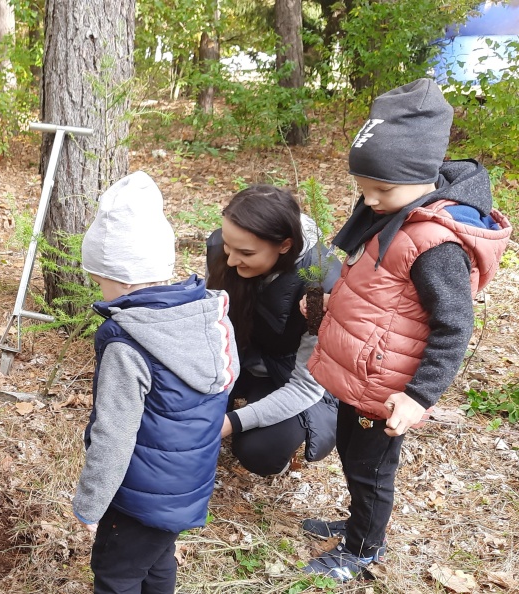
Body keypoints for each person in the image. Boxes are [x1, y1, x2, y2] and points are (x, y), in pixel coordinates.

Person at [302, 78, 512, 582]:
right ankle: (359, 523)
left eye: (381, 189)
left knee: (372, 470)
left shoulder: (436, 245)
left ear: (421, 176)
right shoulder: (391, 210)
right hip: (365, 374)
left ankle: (363, 549)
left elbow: (454, 326)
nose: (369, 200)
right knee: (354, 457)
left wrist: (418, 396)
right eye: (362, 188)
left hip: (390, 386)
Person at [72, 171, 239, 594]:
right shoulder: (207, 316)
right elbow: (226, 378)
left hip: (137, 494)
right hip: (184, 486)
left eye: (101, 280)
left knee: (117, 574)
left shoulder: (128, 343)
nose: (102, 292)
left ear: (123, 278)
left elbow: (114, 433)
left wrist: (91, 504)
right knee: (158, 559)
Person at [205, 185, 342, 476]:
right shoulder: (223, 246)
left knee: (260, 451)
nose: (230, 260)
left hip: (286, 373)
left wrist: (233, 422)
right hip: (238, 359)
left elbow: (307, 385)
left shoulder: (319, 288)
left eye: (245, 252)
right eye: (228, 246)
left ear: (284, 245)